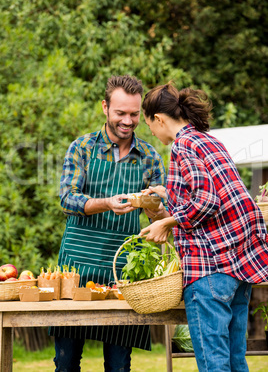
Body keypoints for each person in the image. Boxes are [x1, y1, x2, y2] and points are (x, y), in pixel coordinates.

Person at [139, 83, 268, 371]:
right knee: (236, 361)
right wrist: (167, 194)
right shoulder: (208, 140)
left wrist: (166, 222)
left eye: (150, 127)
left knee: (214, 365)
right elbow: (216, 193)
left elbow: (207, 201)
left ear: (159, 119)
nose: (153, 134)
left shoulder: (182, 145)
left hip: (209, 269)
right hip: (239, 266)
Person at [50, 75, 166, 372]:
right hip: (77, 264)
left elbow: (163, 216)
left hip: (122, 268)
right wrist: (106, 203)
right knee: (66, 363)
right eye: (120, 113)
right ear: (105, 107)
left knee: (118, 366)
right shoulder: (83, 148)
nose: (128, 121)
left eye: (134, 114)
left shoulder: (150, 157)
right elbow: (67, 200)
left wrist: (155, 206)